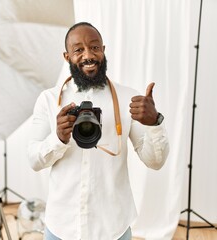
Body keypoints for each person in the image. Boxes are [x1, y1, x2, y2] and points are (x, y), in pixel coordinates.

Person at [27, 22, 169, 240]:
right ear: (67, 57)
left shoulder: (127, 99)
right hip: (62, 227)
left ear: (103, 50)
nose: (88, 55)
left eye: (94, 47)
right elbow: (34, 161)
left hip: (113, 227)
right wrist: (58, 138)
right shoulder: (49, 100)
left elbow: (155, 162)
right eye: (78, 50)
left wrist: (154, 122)